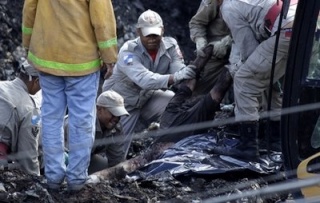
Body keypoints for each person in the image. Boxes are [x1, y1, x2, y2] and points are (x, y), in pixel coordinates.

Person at [22, 0, 118, 191]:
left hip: (47, 56)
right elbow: (102, 19)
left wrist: (28, 44)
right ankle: (76, 180)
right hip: (81, 61)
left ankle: (54, 178)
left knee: (51, 119)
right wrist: (109, 56)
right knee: (81, 121)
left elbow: (29, 9)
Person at [102, 9, 197, 160]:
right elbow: (144, 79)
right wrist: (177, 76)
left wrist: (188, 73)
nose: (152, 38)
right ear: (138, 32)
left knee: (175, 103)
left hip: (146, 97)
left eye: (155, 34)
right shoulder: (128, 51)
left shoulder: (171, 46)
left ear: (163, 30)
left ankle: (168, 147)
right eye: (147, 34)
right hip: (121, 103)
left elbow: (178, 70)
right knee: (117, 153)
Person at [212, 0, 298, 161]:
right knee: (267, 79)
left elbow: (248, 48)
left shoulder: (229, 6)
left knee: (245, 80)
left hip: (288, 30)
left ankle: (248, 147)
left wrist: (238, 67)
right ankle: (276, 140)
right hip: (309, 28)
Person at [64, 90, 129, 174]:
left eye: (119, 115)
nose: (116, 119)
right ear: (99, 109)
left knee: (109, 169)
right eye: (113, 114)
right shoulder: (81, 123)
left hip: (86, 157)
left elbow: (117, 159)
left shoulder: (116, 128)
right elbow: (74, 157)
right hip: (61, 155)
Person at [189, 0, 239, 102]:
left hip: (243, 50)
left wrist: (229, 41)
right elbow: (197, 23)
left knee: (254, 82)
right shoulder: (214, 1)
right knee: (197, 95)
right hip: (215, 53)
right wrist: (200, 40)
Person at [0, 59, 41, 175]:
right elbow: (28, 154)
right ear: (36, 81)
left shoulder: (1, 85)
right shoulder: (31, 110)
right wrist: (36, 181)